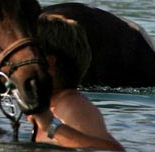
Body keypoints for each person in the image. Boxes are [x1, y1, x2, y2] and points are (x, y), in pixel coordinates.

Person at [29, 15, 125, 150]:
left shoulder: (73, 106)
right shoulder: (51, 107)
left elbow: (111, 150)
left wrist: (51, 126)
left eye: (28, 54)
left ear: (49, 62)